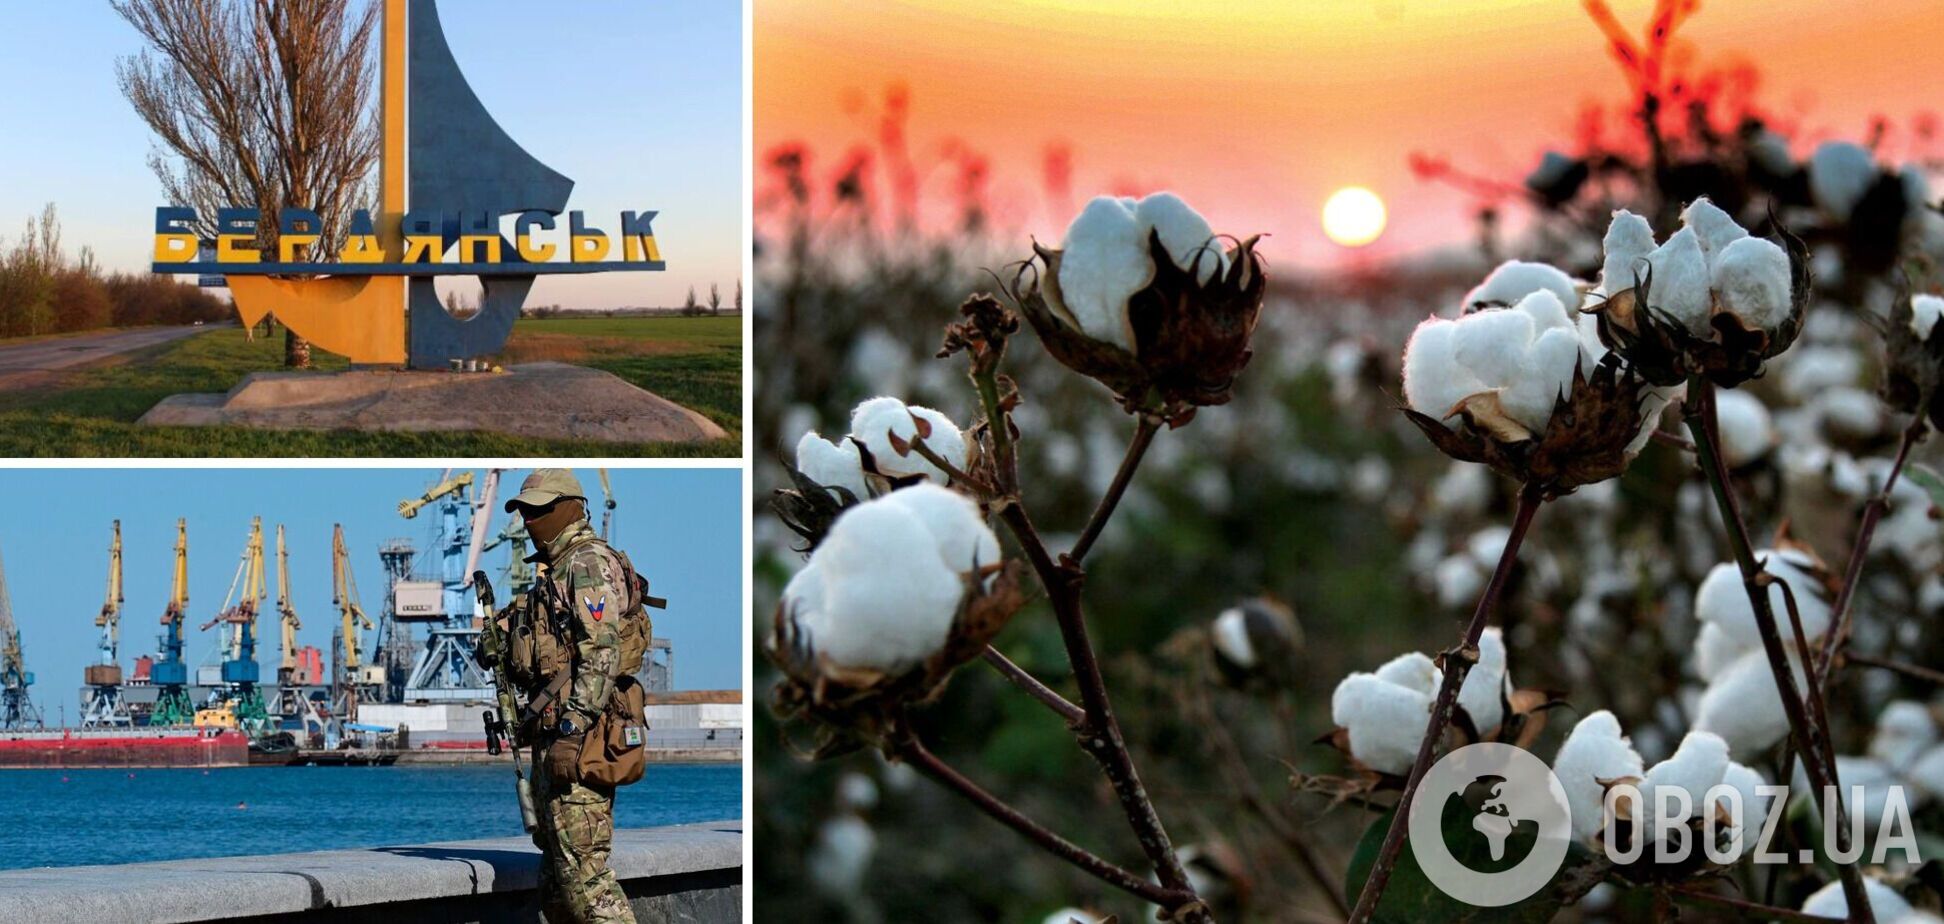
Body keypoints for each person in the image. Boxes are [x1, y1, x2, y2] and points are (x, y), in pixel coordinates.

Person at [503, 468, 634, 924]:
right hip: (555, 739)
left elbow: (602, 652)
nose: (528, 521)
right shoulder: (555, 570)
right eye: (524, 511)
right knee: (557, 888)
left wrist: (572, 728)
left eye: (538, 509)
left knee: (587, 885)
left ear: (568, 508)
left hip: (578, 741)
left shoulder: (585, 564)